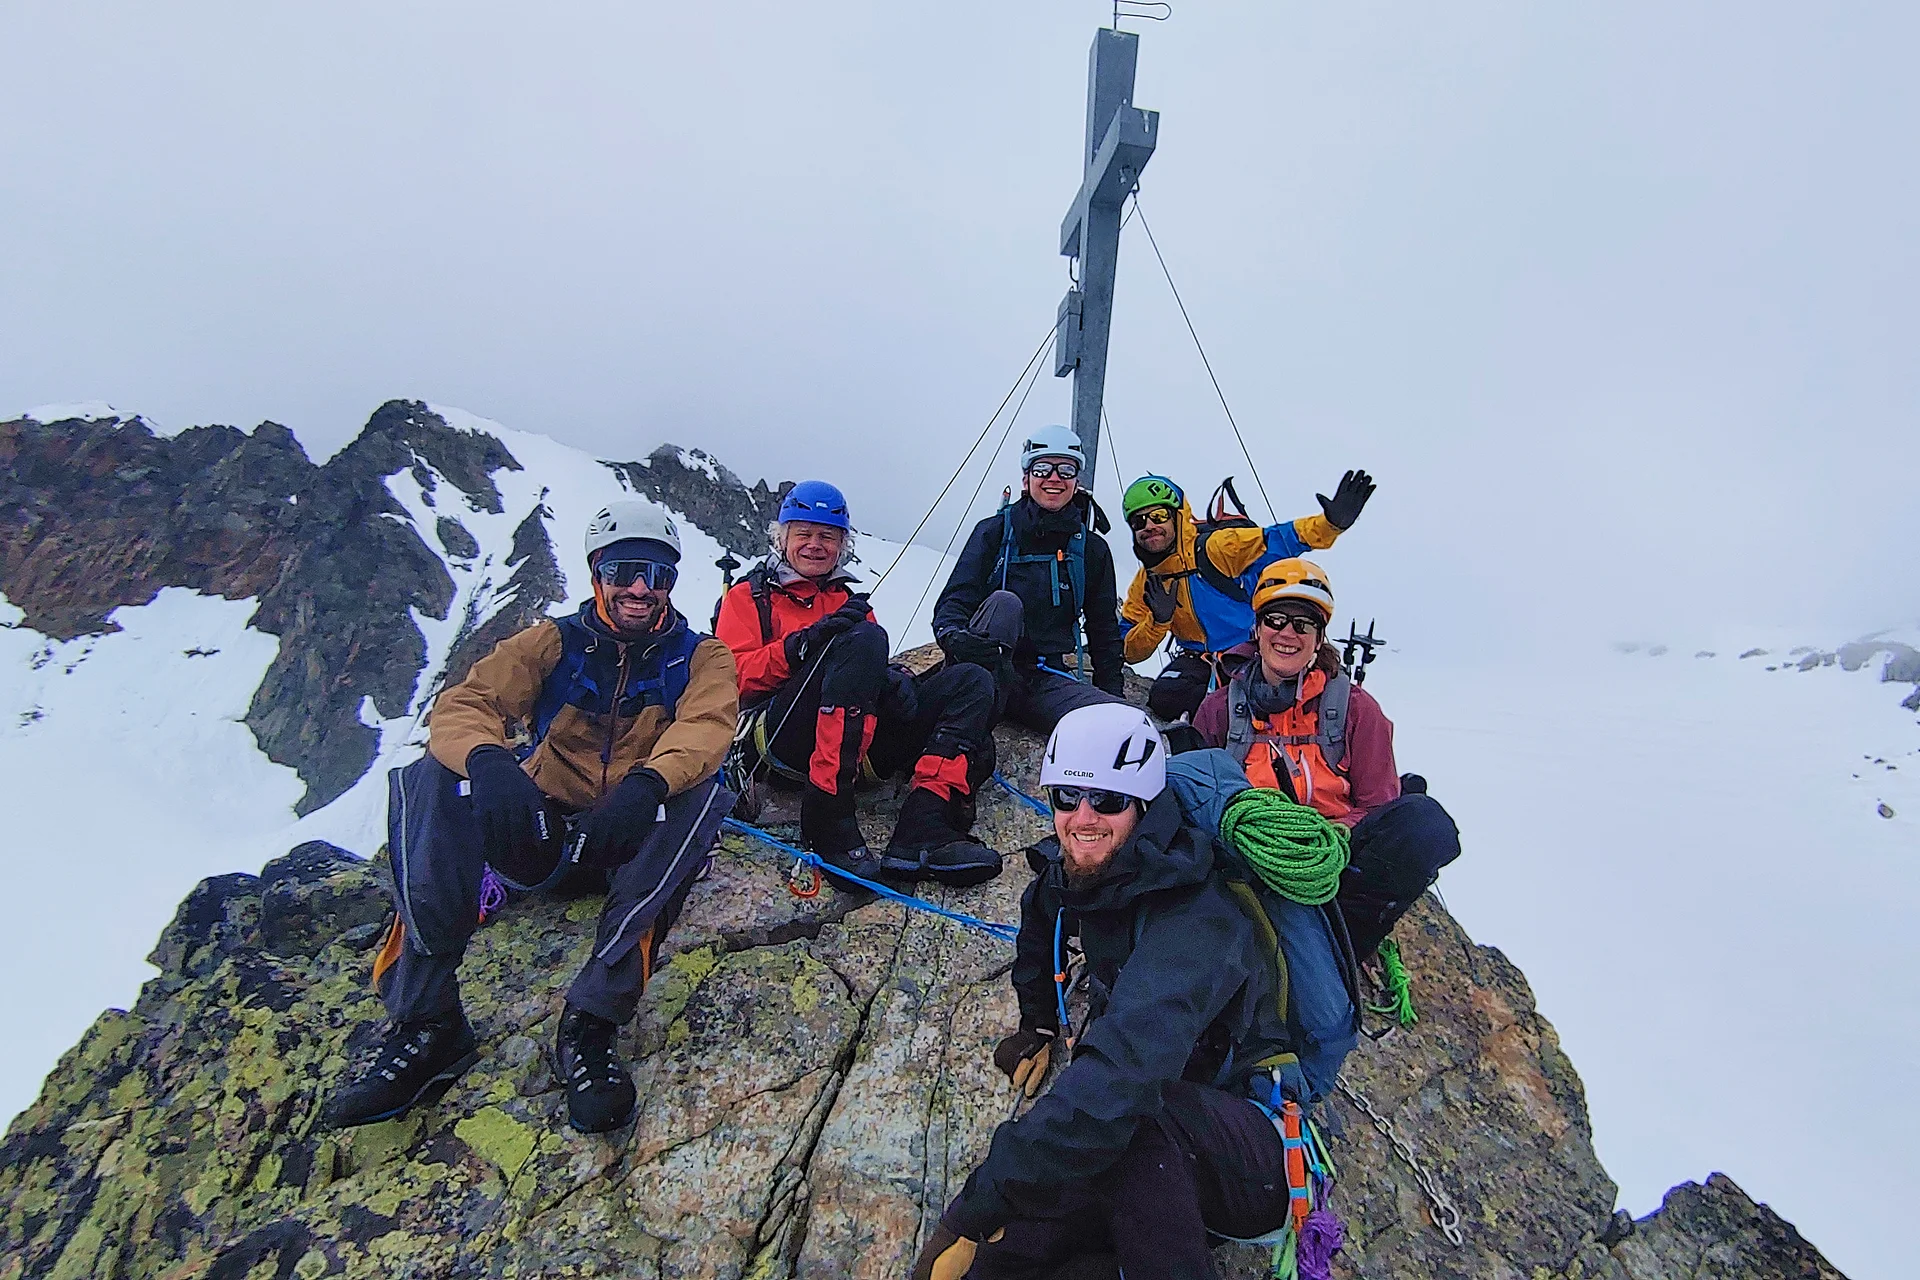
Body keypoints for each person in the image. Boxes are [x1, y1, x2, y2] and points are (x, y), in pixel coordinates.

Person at [327, 500, 739, 1135]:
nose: (640, 588)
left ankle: (592, 1021)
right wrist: (489, 763)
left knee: (705, 793)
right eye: (627, 570)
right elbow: (468, 701)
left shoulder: (701, 656)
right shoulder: (552, 642)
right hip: (541, 833)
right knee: (427, 778)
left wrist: (647, 784)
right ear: (598, 571)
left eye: (657, 575)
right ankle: (429, 1021)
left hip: (625, 843)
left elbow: (707, 730)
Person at [910, 704, 1340, 1280]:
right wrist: (1036, 1024)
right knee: (1014, 1247)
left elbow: (1124, 1074)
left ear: (1142, 805)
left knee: (1129, 1119)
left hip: (1257, 1141)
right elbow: (1041, 913)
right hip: (1163, 1147)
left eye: (1108, 801)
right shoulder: (1085, 870)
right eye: (1067, 797)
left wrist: (974, 1202)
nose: (1083, 817)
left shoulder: (1197, 910)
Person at [714, 480, 1001, 887]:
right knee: (865, 638)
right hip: (781, 739)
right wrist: (800, 648)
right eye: (804, 534)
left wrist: (893, 678)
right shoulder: (749, 598)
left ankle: (924, 827)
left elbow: (867, 667)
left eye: (827, 536)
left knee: (970, 681)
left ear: (842, 544)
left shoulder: (847, 601)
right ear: (782, 539)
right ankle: (828, 815)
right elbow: (732, 677)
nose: (815, 545)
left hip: (856, 741)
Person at [1193, 558, 1460, 960]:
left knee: (1422, 824)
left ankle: (1346, 944)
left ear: (1319, 638)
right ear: (1257, 629)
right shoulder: (1218, 711)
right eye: (1276, 620)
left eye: (1302, 625)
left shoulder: (1355, 709)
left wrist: (1321, 840)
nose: (1287, 633)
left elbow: (1376, 804)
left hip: (1336, 867)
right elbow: (1200, 802)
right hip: (1250, 863)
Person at [1118, 469, 1374, 724]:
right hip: (1196, 661)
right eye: (1139, 522)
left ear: (1177, 516)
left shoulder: (1217, 548)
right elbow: (1128, 650)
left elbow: (1278, 539)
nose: (1150, 526)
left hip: (1249, 651)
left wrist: (1329, 525)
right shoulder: (1146, 582)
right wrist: (1158, 623)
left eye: (1158, 516)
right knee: (1167, 700)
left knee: (1257, 705)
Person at [931, 425, 1127, 736]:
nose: (1054, 478)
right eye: (1042, 468)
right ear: (1026, 478)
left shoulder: (1091, 550)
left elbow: (1103, 629)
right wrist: (952, 634)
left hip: (1042, 679)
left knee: (1120, 719)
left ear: (1077, 482)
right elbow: (956, 599)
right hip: (982, 670)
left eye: (1066, 470)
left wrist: (1112, 696)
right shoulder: (993, 532)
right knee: (1004, 604)